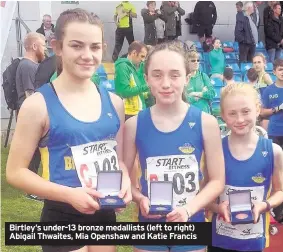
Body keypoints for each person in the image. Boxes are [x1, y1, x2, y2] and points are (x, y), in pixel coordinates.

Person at [6, 8, 131, 252]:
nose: (87, 55)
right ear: (58, 47)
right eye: (77, 46)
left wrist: (124, 180)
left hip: (104, 213)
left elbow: (117, 159)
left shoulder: (114, 103)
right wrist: (69, 195)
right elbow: (15, 172)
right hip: (61, 216)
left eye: (95, 47)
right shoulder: (37, 105)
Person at [123, 41, 225, 252]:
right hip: (149, 224)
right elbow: (124, 180)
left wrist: (188, 209)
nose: (166, 83)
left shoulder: (206, 123)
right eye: (157, 75)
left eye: (175, 75)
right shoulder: (133, 124)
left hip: (191, 222)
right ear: (146, 79)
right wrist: (140, 198)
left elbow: (217, 181)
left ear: (187, 79)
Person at [208, 83, 283, 252]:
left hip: (253, 241)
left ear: (257, 109)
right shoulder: (215, 151)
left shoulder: (274, 151)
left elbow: (280, 192)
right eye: (232, 113)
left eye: (246, 111)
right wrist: (217, 207)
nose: (240, 119)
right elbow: (205, 196)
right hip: (219, 240)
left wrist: (264, 205)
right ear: (223, 115)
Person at [15, 32, 46, 194]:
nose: (46, 49)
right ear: (34, 46)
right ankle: (31, 188)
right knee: (32, 152)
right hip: (30, 116)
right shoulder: (27, 66)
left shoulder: (31, 65)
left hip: (32, 115)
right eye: (43, 45)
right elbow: (30, 94)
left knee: (36, 152)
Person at [114, 41, 149, 120]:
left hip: (139, 110)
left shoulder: (138, 66)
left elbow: (138, 91)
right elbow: (124, 92)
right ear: (134, 53)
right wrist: (146, 86)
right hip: (128, 113)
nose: (143, 60)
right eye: (142, 56)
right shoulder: (122, 67)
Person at [261, 59, 283, 148]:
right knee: (276, 160)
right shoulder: (268, 90)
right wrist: (278, 108)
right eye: (280, 69)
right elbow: (262, 112)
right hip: (275, 131)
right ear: (274, 72)